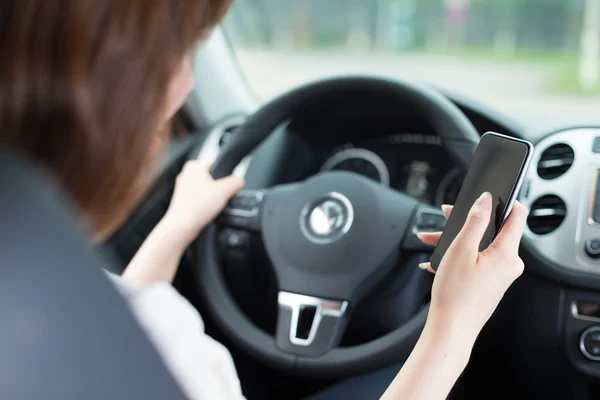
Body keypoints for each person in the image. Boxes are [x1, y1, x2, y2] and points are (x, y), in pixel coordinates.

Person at [0, 1, 528, 399]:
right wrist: (454, 323)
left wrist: (177, 226)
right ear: (103, 85)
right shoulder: (175, 347)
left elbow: (113, 326)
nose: (186, 83)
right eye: (182, 49)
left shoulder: (43, 300)